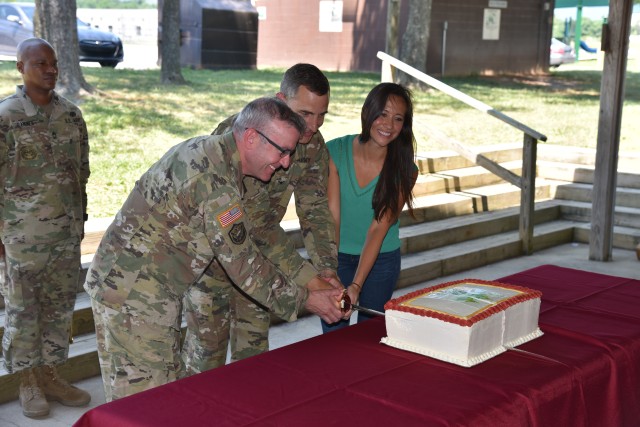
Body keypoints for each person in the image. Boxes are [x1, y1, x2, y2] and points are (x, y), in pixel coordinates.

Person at [84, 97, 346, 402]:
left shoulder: (219, 157)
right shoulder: (215, 180)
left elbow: (259, 235)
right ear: (251, 138)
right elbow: (243, 264)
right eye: (283, 151)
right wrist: (306, 300)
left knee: (164, 395)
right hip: (132, 297)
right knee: (143, 404)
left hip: (148, 292)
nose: (286, 162)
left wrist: (314, 280)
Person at [181, 63, 339, 373]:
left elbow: (315, 211)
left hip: (261, 265)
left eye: (322, 115)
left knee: (253, 355)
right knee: (205, 357)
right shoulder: (242, 135)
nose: (314, 125)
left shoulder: (313, 147)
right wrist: (308, 280)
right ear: (282, 99)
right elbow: (255, 224)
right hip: (214, 260)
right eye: (305, 114)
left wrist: (326, 268)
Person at [0, 38, 91, 418]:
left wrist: (80, 222)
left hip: (65, 237)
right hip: (23, 238)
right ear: (21, 67)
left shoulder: (71, 115)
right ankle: (28, 382)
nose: (51, 69)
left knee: (58, 309)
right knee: (23, 312)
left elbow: (82, 173)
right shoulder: (6, 117)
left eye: (53, 63)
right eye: (40, 63)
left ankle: (51, 374)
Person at [321, 82, 417, 333]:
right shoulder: (335, 151)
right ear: (368, 112)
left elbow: (378, 229)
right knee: (334, 333)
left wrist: (356, 285)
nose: (388, 125)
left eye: (398, 119)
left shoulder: (405, 170)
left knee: (369, 336)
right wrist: (331, 269)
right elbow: (333, 216)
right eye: (383, 114)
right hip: (337, 255)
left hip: (381, 261)